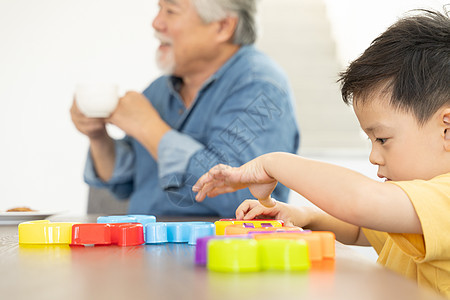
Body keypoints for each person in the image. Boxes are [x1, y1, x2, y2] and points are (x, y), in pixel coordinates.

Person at [193, 9, 450, 297]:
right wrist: (302, 215)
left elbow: (362, 203)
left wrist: (273, 163)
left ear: (447, 130)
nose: (374, 157)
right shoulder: (412, 210)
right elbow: (360, 228)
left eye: (382, 138)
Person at [70, 0, 299, 217]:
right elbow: (122, 185)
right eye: (159, 8)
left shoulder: (261, 87)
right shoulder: (159, 89)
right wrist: (98, 136)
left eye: (170, 11)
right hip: (145, 249)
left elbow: (245, 198)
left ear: (223, 26)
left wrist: (149, 128)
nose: (156, 22)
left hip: (216, 252)